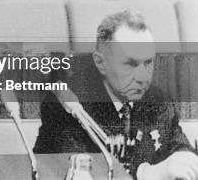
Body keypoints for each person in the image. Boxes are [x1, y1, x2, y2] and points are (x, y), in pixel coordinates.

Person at [34, 10, 198, 180]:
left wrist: (185, 160)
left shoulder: (158, 101)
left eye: (148, 62)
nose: (143, 77)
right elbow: (80, 171)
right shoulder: (67, 105)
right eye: (130, 64)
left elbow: (180, 147)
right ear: (101, 63)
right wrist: (145, 173)